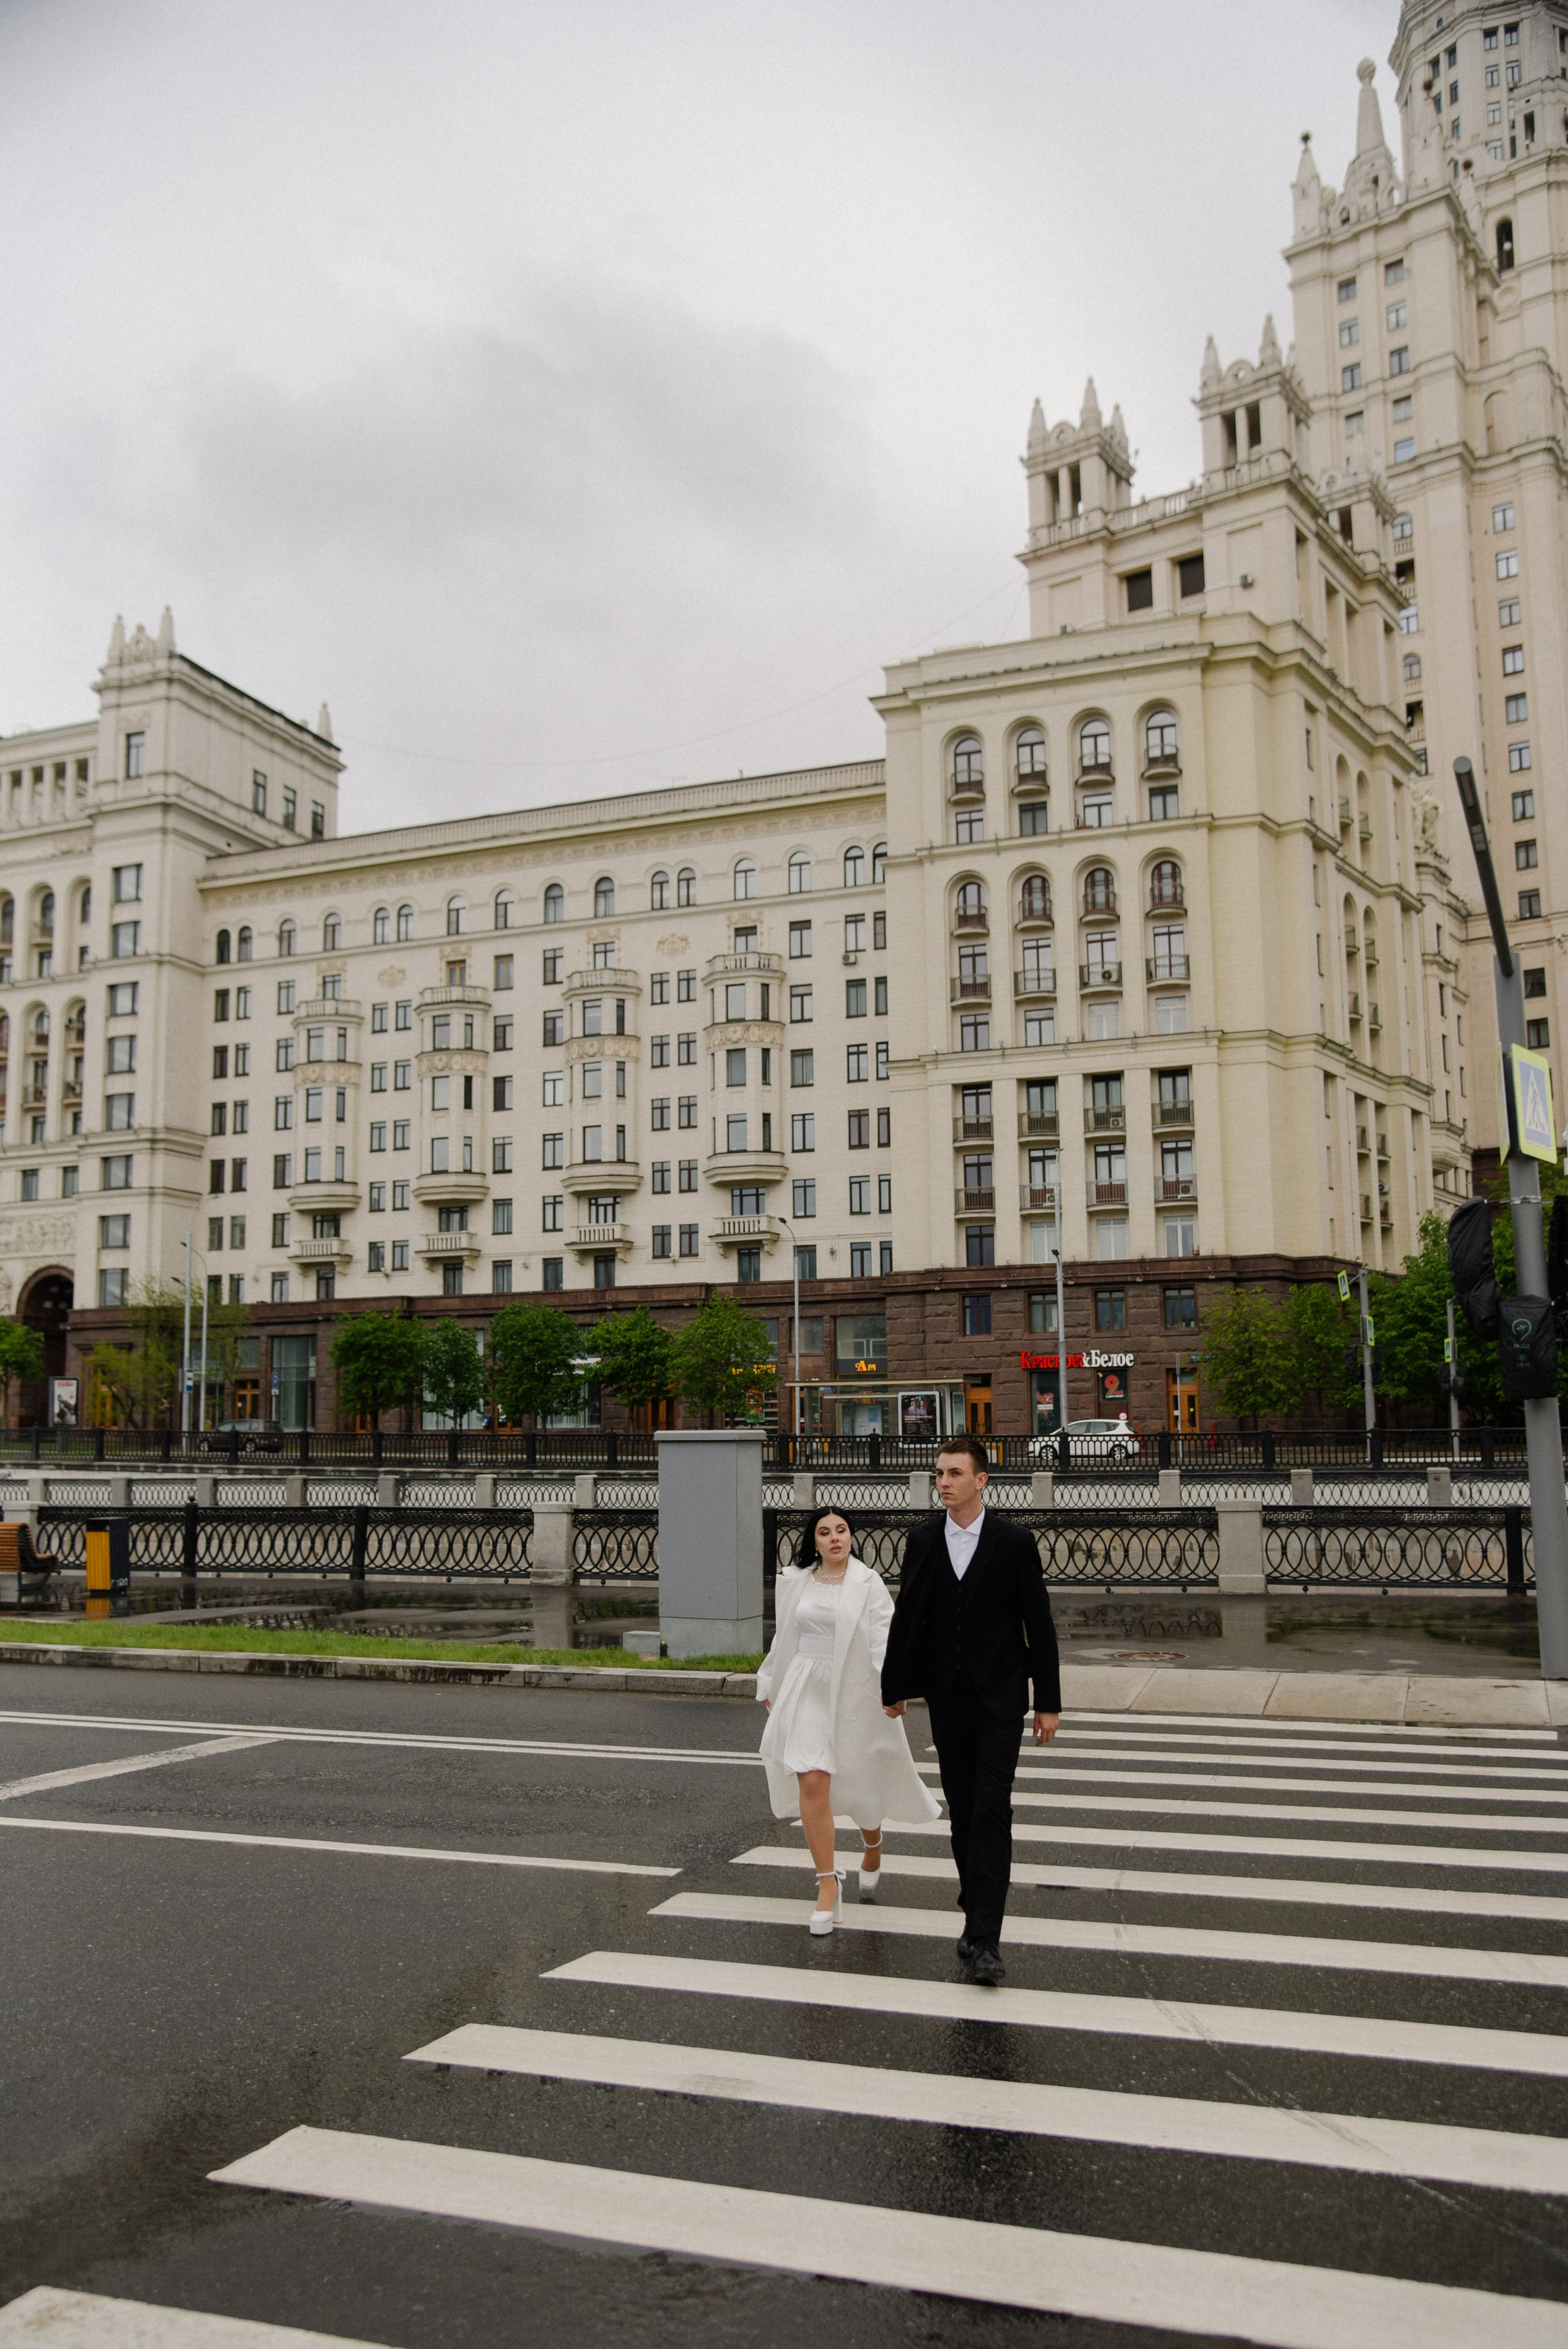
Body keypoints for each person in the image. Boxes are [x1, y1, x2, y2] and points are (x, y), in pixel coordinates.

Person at [880, 1433, 1060, 1986]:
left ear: (981, 1480)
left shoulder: (1013, 1542)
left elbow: (1040, 1624)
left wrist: (1047, 1701)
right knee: (963, 1811)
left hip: (1002, 1696)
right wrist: (895, 1686)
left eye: (954, 1473)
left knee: (991, 1809)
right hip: (949, 1697)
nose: (944, 1481)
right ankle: (974, 1903)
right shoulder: (924, 1539)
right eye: (939, 1473)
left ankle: (986, 1939)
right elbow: (908, 1616)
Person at [758, 1505, 940, 1934]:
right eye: (825, 1532)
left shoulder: (867, 1582)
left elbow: (884, 1637)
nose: (835, 1538)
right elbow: (785, 1635)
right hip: (806, 1684)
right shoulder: (796, 1580)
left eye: (841, 1530)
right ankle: (827, 1883)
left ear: (851, 1537)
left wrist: (893, 1686)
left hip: (853, 1687)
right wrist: (769, 1680)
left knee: (861, 1777)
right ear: (814, 1541)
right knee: (813, 1779)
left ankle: (872, 1845)